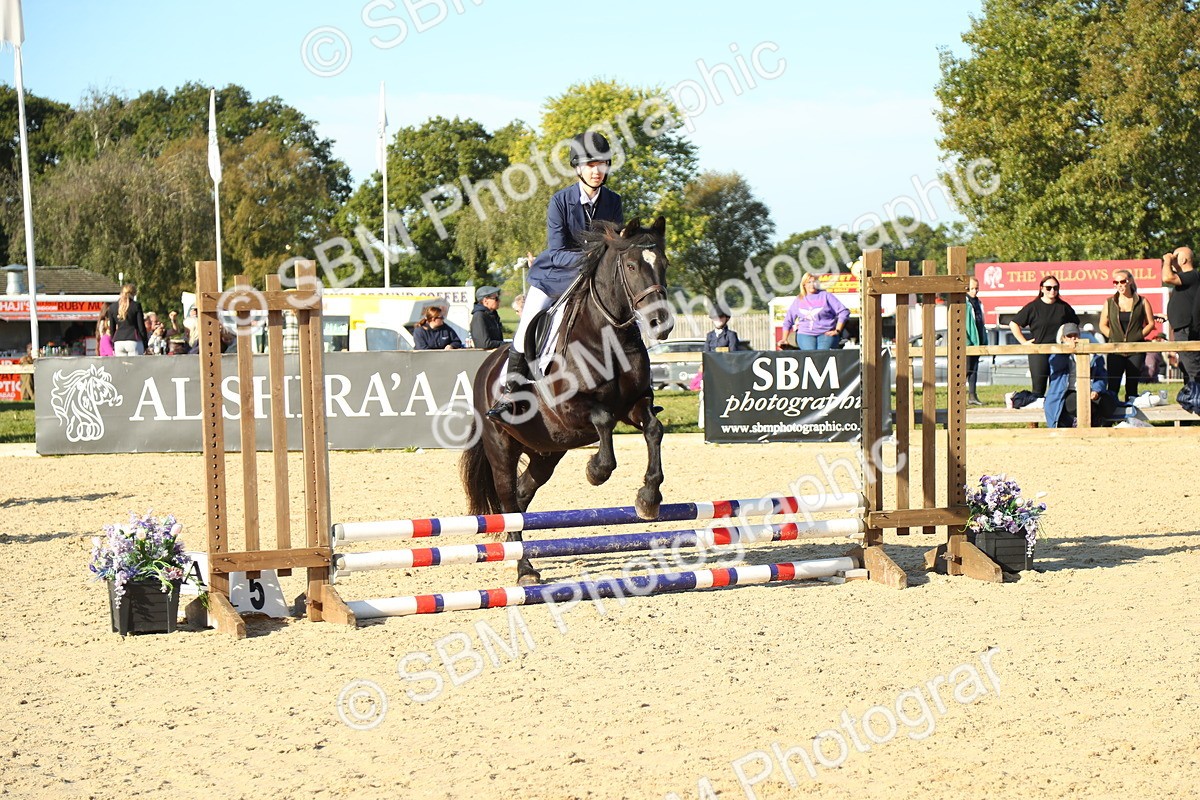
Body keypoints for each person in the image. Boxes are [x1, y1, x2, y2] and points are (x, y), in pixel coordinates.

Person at [489, 131, 623, 418]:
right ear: (578, 168)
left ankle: (634, 388)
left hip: (594, 281)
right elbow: (557, 250)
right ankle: (510, 392)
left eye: (602, 164)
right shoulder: (560, 201)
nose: (597, 170)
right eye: (590, 165)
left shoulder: (613, 201)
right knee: (526, 325)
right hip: (555, 277)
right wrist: (591, 259)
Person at [1008, 275, 1079, 397]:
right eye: (1048, 288)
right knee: (1038, 390)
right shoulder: (1033, 307)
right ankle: (1021, 402)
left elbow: (1075, 325)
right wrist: (1024, 343)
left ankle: (1056, 414)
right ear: (1041, 289)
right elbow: (1013, 324)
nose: (1052, 291)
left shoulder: (1064, 307)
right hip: (1038, 351)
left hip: (1059, 351)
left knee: (1057, 388)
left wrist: (1070, 340)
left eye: (1055, 288)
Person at [1044, 323, 1120, 428]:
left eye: (1075, 335)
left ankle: (1098, 422)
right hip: (1068, 391)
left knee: (1108, 403)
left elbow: (1101, 376)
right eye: (1069, 336)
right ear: (1063, 338)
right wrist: (1066, 351)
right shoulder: (1057, 353)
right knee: (1076, 404)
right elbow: (1056, 366)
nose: (1073, 339)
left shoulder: (1094, 354)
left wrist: (1096, 390)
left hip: (1091, 390)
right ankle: (1086, 423)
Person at [1099, 268, 1155, 402]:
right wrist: (1112, 336)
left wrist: (1139, 335)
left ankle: (1132, 416)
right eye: (1115, 282)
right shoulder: (1109, 302)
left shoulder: (1142, 301)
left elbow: (1151, 323)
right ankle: (1111, 417)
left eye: (1122, 281)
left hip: (1135, 349)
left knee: (1132, 386)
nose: (1119, 285)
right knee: (1113, 385)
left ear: (1129, 281)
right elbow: (1102, 324)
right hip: (1115, 349)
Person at [781, 272, 849, 350]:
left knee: (822, 354)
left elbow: (844, 312)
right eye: (809, 282)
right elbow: (788, 321)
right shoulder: (799, 299)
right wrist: (784, 339)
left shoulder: (826, 296)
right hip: (805, 334)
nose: (812, 284)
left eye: (814, 282)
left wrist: (837, 330)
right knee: (810, 354)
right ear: (804, 285)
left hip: (826, 333)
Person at [1161, 246, 1199, 383]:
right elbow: (1187, 304)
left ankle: (1196, 400)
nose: (1172, 261)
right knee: (1186, 367)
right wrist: (1168, 317)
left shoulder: (1191, 275)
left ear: (1183, 260)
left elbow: (1167, 277)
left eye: (1175, 258)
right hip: (1182, 328)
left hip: (1187, 330)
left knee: (1192, 368)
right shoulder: (1187, 280)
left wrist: (1167, 260)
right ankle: (1191, 399)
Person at [106, 283, 148, 356]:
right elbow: (141, 327)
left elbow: (112, 329)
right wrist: (145, 343)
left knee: (121, 366)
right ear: (134, 293)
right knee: (135, 366)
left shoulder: (112, 307)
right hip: (133, 339)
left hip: (118, 341)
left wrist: (113, 342)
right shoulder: (136, 306)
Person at [965, 276, 987, 405]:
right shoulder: (964, 303)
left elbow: (980, 322)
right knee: (965, 370)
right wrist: (967, 341)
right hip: (968, 342)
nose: (974, 291)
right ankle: (958, 395)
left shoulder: (978, 302)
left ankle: (972, 396)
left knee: (974, 370)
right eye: (971, 288)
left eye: (976, 288)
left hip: (977, 340)